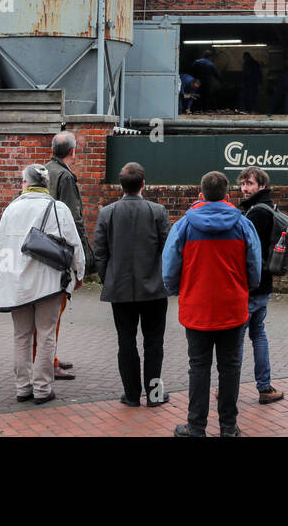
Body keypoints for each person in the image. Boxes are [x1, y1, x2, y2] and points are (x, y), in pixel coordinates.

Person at [162, 170, 261, 437]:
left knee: (199, 366)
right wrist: (246, 288)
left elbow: (170, 266)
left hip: (196, 307)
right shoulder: (242, 225)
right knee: (230, 366)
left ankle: (196, 426)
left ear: (200, 195)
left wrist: (176, 289)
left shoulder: (183, 225)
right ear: (228, 196)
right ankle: (228, 426)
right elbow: (254, 267)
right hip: (233, 306)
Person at [0, 164, 86, 405]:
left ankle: (22, 387)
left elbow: (1, 249)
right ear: (46, 184)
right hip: (49, 283)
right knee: (46, 335)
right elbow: (75, 245)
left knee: (20, 336)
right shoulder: (59, 208)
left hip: (16, 284)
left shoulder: (10, 210)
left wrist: (1, 279)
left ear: (25, 183)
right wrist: (79, 274)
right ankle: (43, 389)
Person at [93, 161, 171, 408]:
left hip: (120, 288)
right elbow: (167, 250)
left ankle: (131, 394)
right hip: (154, 290)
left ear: (121, 186)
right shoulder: (158, 211)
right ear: (143, 184)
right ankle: (154, 395)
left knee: (125, 342)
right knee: (154, 343)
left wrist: (109, 278)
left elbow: (100, 253)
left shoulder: (107, 213)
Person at [235, 166, 285, 404]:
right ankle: (264, 387)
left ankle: (229, 387)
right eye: (243, 183)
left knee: (237, 337)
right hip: (264, 284)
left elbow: (245, 249)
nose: (245, 188)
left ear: (261, 186)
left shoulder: (257, 213)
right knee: (259, 335)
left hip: (250, 285)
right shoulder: (268, 207)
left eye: (250, 184)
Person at [44, 130, 86, 380]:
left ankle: (51, 358)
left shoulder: (43, 170)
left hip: (42, 249)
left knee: (49, 312)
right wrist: (82, 261)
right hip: (60, 253)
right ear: (72, 152)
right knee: (53, 313)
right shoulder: (66, 177)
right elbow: (73, 220)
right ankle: (49, 362)